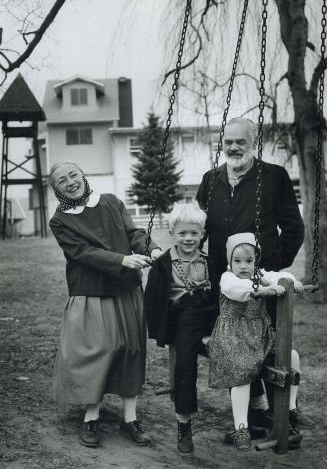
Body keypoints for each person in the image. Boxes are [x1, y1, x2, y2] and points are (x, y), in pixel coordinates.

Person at [196, 117, 314, 432]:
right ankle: (257, 409)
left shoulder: (274, 177)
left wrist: (271, 267)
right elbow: (197, 229)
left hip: (262, 282)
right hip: (222, 286)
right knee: (237, 347)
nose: (234, 147)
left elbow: (294, 228)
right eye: (229, 142)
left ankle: (285, 413)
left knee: (273, 346)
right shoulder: (210, 180)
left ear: (253, 142)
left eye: (241, 141)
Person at [49, 161, 162, 448]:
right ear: (56, 189)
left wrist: (152, 248)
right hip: (91, 294)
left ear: (84, 174)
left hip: (126, 290)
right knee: (98, 352)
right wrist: (122, 260)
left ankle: (130, 419)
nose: (70, 182)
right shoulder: (60, 220)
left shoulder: (111, 202)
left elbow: (133, 233)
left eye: (74, 174)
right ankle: (91, 417)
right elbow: (82, 253)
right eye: (62, 180)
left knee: (131, 351)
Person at [207, 233, 305, 451]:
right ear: (229, 262)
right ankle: (241, 427)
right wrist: (260, 291)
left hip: (259, 335)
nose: (244, 266)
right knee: (242, 372)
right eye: (238, 261)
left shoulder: (260, 274)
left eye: (249, 261)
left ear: (256, 262)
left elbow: (279, 275)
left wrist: (291, 283)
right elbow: (237, 291)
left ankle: (290, 409)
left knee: (291, 356)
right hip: (234, 336)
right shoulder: (228, 278)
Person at [144, 202, 219, 454]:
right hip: (183, 317)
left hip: (210, 313)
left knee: (239, 343)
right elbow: (152, 299)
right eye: (183, 233)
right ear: (173, 233)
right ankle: (184, 424)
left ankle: (257, 408)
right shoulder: (164, 264)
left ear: (202, 234)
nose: (188, 238)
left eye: (194, 233)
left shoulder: (210, 261)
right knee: (185, 364)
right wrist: (160, 331)